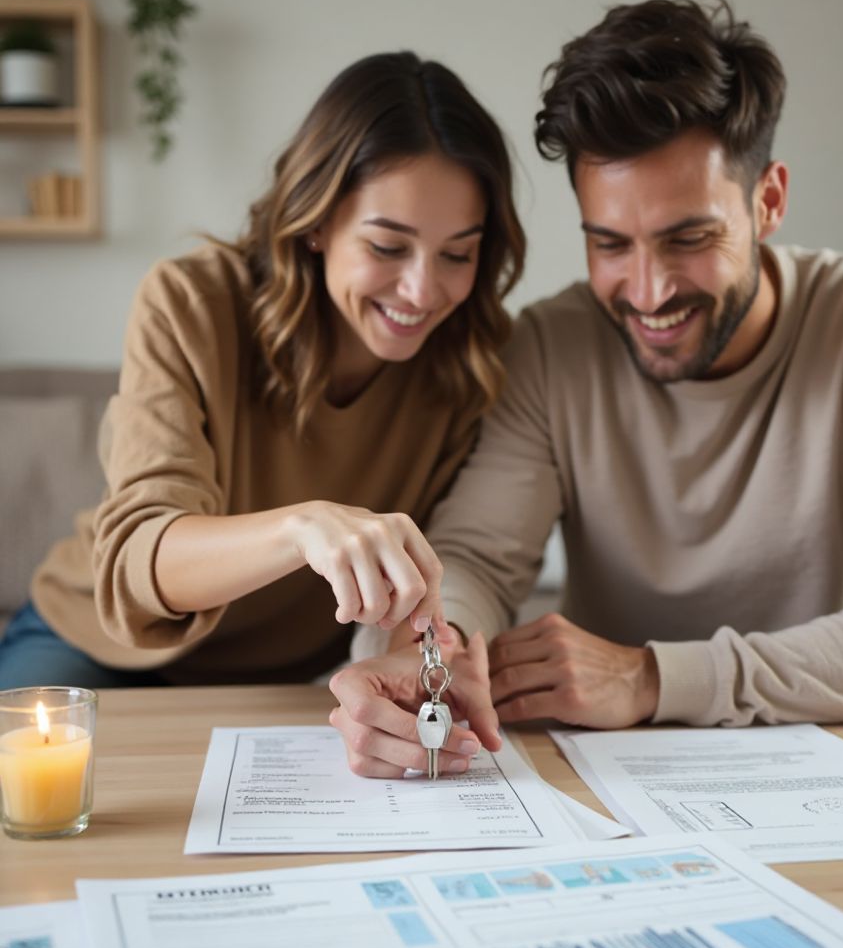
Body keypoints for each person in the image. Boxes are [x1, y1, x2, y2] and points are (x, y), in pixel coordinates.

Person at [329, 0, 843, 775]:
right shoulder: (552, 346)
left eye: (688, 239)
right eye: (610, 244)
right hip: (619, 777)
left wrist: (652, 677)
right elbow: (478, 563)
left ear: (769, 202)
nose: (649, 291)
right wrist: (431, 653)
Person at [0, 51, 522, 764]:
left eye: (457, 254)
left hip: (283, 682)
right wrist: (303, 528)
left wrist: (425, 653)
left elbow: (442, 568)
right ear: (316, 223)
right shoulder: (192, 302)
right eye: (387, 246)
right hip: (96, 642)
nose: (423, 291)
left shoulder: (471, 361)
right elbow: (134, 558)